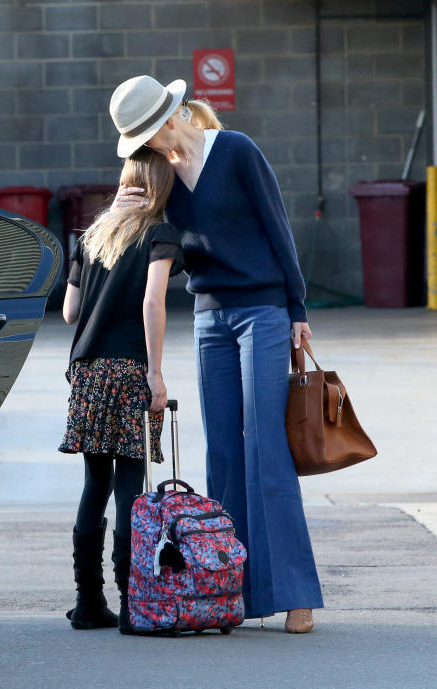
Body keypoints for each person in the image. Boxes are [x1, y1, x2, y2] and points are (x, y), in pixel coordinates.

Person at [109, 75, 323, 634]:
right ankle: (231, 588)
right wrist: (122, 209)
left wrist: (297, 307)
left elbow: (279, 228)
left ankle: (295, 591)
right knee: (223, 455)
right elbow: (129, 256)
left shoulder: (236, 150)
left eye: (145, 136)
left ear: (169, 119)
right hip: (209, 321)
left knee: (266, 447)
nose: (145, 149)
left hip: (264, 313)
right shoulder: (154, 177)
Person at [58, 147, 183, 631]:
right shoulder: (161, 234)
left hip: (87, 374)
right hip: (130, 371)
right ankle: (136, 605)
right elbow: (154, 301)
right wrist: (155, 372)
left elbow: (70, 313)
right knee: (131, 488)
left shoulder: (91, 235)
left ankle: (88, 602)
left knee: (96, 485)